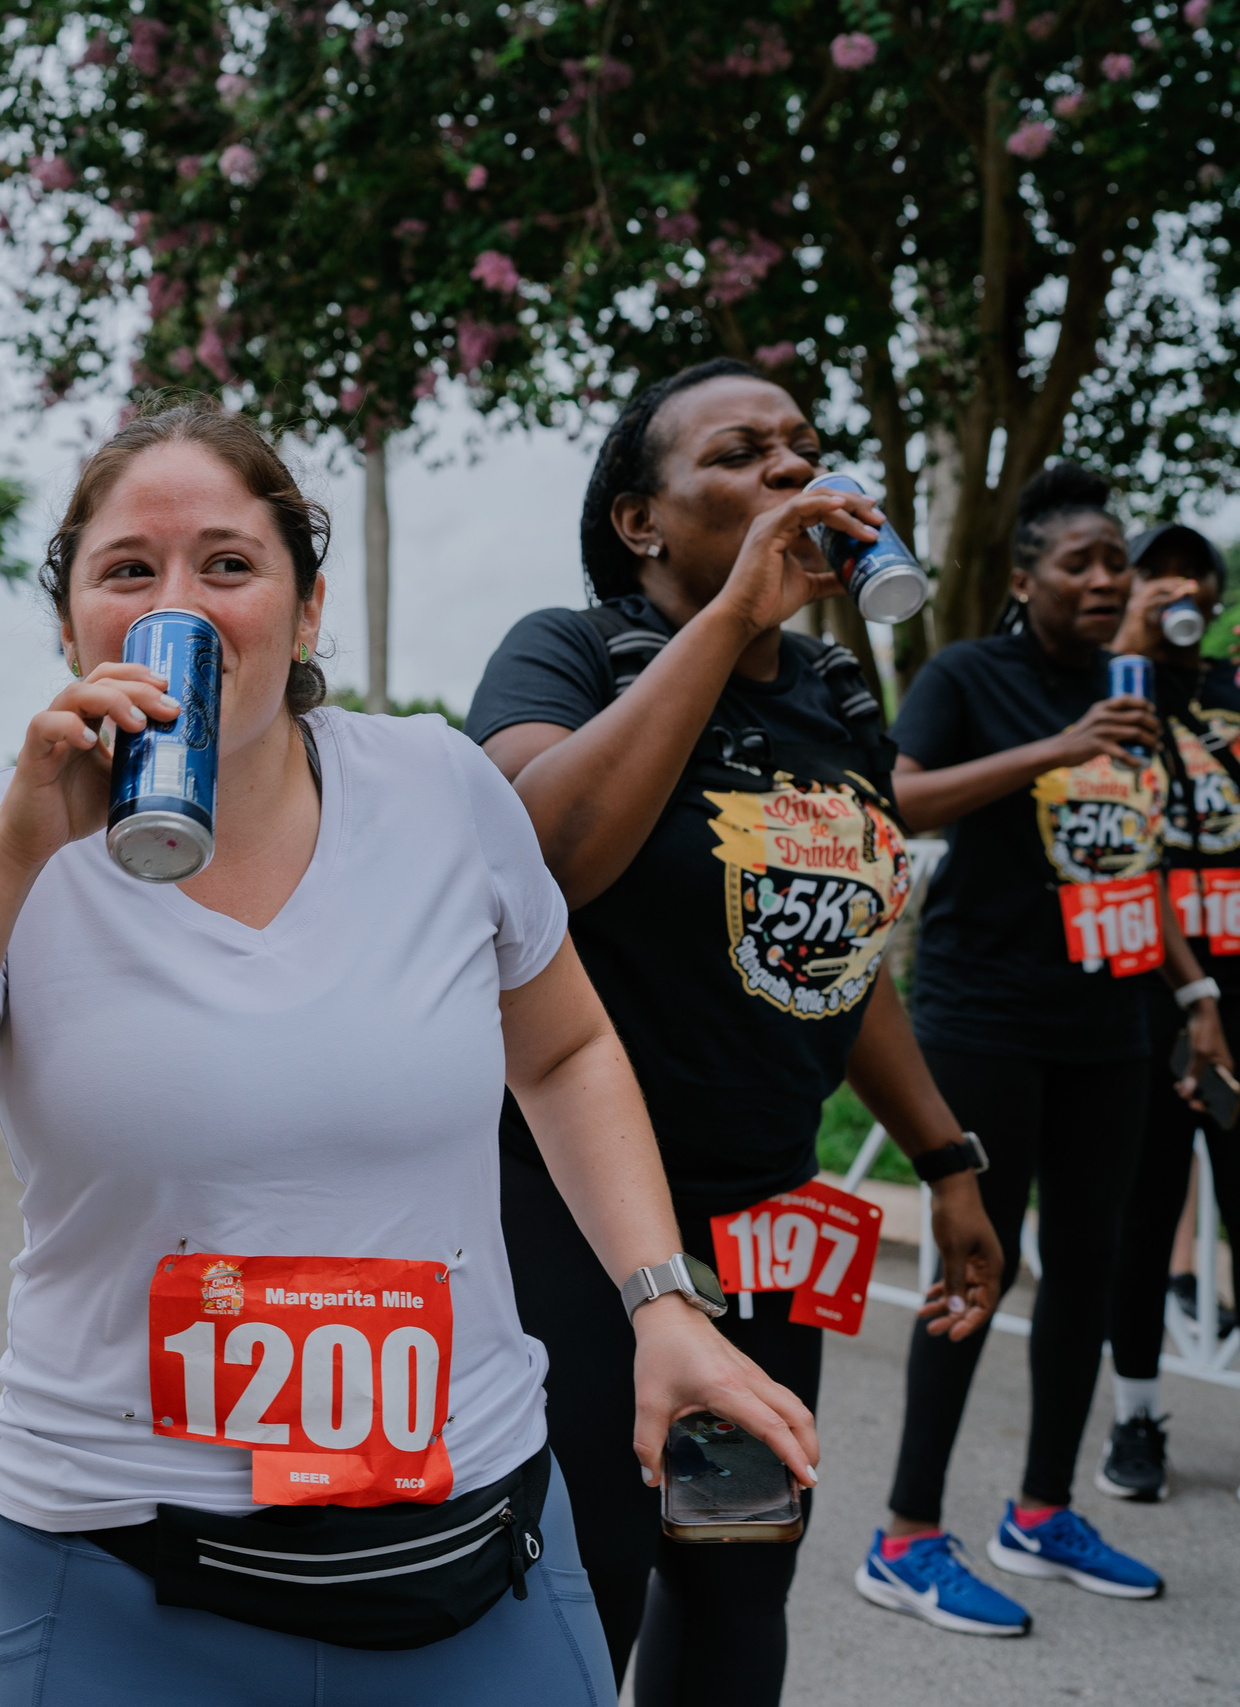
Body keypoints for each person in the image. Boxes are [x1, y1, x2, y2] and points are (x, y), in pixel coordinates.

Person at [0, 401, 818, 1707]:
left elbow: (560, 1050)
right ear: (70, 626)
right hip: (122, 1560)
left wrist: (662, 1299)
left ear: (306, 606)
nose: (182, 603)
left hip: (474, 1539)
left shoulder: (440, 790)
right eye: (127, 570)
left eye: (229, 563)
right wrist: (12, 858)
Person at [465, 358, 1006, 1698]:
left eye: (803, 446)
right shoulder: (567, 651)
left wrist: (947, 1157)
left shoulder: (835, 701)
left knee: (736, 1566)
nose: (789, 467)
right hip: (572, 1224)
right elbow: (541, 859)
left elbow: (839, 955)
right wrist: (730, 623)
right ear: (640, 519)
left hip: (765, 1230)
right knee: (582, 1576)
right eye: (741, 451)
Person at [863, 461, 1227, 1628]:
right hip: (987, 1022)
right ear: (1025, 580)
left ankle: (1040, 1512)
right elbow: (902, 801)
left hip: (1109, 1027)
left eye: (1116, 562)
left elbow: (1134, 862)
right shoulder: (973, 676)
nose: (1106, 578)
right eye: (1080, 562)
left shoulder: (1138, 697)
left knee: (1091, 1266)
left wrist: (1190, 994)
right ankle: (906, 1535)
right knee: (977, 1271)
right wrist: (1059, 747)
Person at [1099, 521, 1240, 1501]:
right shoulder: (1111, 691)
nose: (1177, 585)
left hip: (1236, 996)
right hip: (1143, 996)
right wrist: (1130, 645)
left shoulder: (1230, 693)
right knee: (1140, 1215)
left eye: (1193, 574)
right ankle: (1135, 1421)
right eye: (1154, 573)